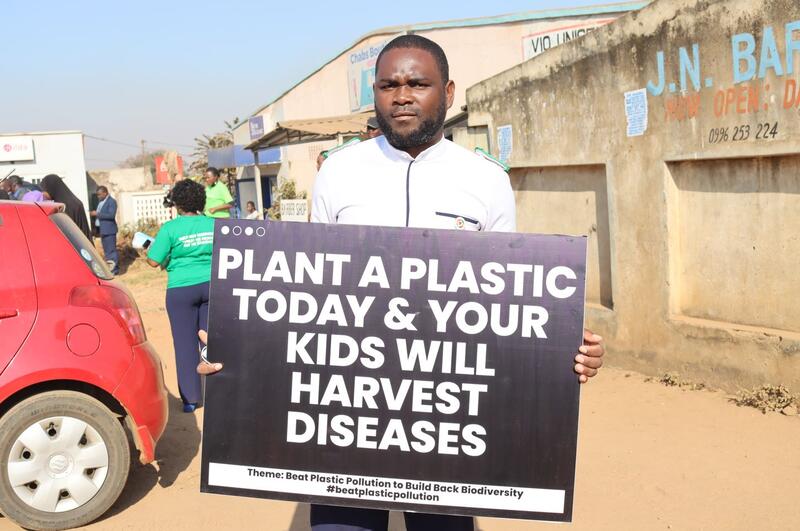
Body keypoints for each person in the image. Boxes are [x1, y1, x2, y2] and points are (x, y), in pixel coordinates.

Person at [202, 35, 605, 531]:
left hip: (446, 422)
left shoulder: (486, 180)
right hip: (344, 416)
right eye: (389, 84)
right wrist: (238, 338)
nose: (402, 95)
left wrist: (566, 351)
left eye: (418, 83)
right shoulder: (338, 173)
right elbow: (301, 296)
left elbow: (509, 305)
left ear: (449, 92)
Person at [146, 179, 215, 413]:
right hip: (212, 287)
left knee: (185, 345)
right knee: (211, 340)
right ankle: (218, 393)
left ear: (177, 203)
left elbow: (154, 261)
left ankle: (191, 399)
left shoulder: (170, 229)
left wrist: (147, 249)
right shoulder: (214, 224)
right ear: (200, 201)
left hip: (181, 291)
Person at [40, 174, 92, 240]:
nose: (43, 194)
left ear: (51, 189)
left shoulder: (68, 206)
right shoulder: (66, 203)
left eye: (44, 190)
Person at [90, 186, 119, 275]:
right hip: (103, 230)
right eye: (97, 195)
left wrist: (97, 214)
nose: (98, 196)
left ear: (105, 193)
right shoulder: (101, 202)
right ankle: (110, 269)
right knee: (107, 251)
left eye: (99, 194)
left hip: (110, 230)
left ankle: (114, 270)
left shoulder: (111, 202)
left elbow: (111, 215)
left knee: (111, 251)